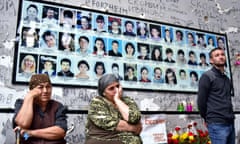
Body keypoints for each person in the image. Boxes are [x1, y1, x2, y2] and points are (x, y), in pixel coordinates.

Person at [85, 74, 142, 144]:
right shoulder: (97, 102)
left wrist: (118, 100)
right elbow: (110, 123)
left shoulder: (128, 101)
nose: (116, 91)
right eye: (111, 88)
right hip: (102, 140)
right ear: (103, 93)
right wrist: (133, 128)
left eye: (118, 86)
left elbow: (134, 118)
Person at [12, 74, 67, 144]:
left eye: (48, 87)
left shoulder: (57, 106)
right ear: (32, 90)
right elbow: (23, 124)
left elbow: (60, 132)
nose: (45, 91)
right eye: (40, 87)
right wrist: (29, 96)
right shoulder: (22, 104)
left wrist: (31, 133)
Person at [197, 47, 235, 144]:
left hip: (230, 122)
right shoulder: (207, 76)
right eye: (217, 55)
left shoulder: (227, 79)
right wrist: (206, 118)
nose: (221, 57)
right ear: (211, 60)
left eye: (222, 54)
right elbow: (201, 102)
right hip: (216, 123)